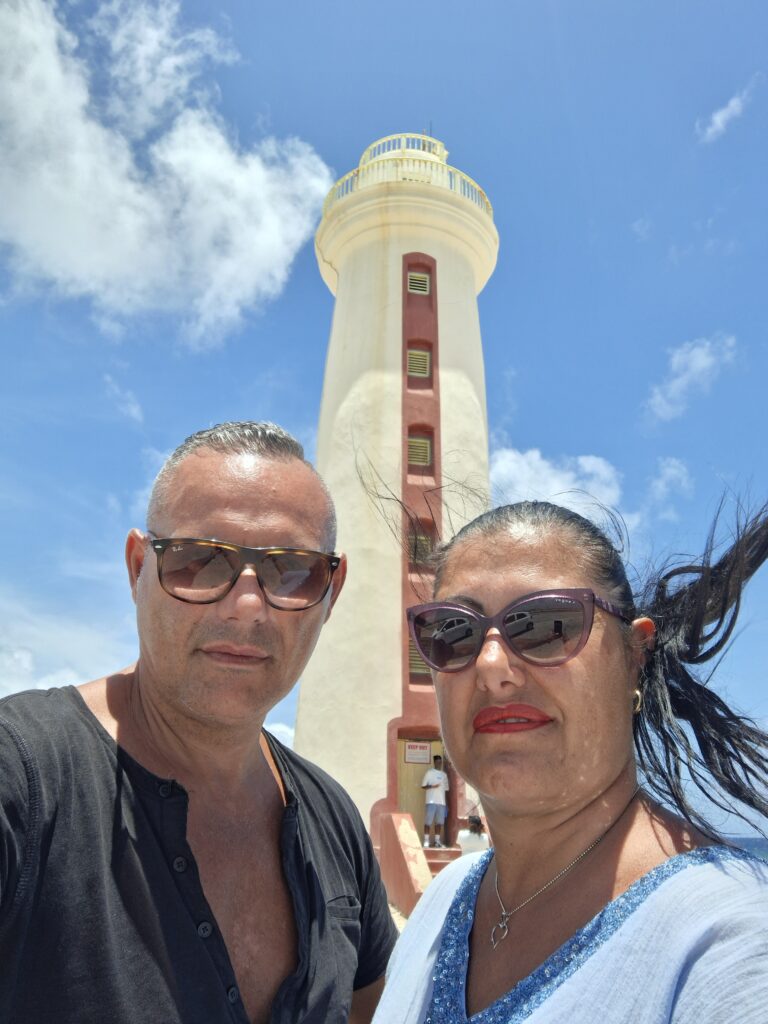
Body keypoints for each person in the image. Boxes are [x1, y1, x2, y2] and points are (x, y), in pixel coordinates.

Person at [0, 421, 397, 1024]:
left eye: (291, 571)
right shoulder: (23, 780)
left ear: (331, 591)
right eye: (198, 561)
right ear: (138, 567)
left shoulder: (333, 821)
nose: (245, 606)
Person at [373, 500, 768, 1023]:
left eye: (546, 623)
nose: (492, 667)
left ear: (634, 655)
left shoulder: (730, 941)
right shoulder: (444, 897)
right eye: (452, 631)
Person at [421, 753, 450, 848]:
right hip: (431, 801)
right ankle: (426, 841)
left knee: (439, 823)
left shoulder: (444, 775)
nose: (439, 764)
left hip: (441, 803)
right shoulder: (429, 773)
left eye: (440, 762)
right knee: (428, 822)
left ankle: (437, 841)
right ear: (434, 762)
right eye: (438, 762)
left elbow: (446, 789)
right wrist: (432, 786)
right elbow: (423, 786)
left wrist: (446, 804)